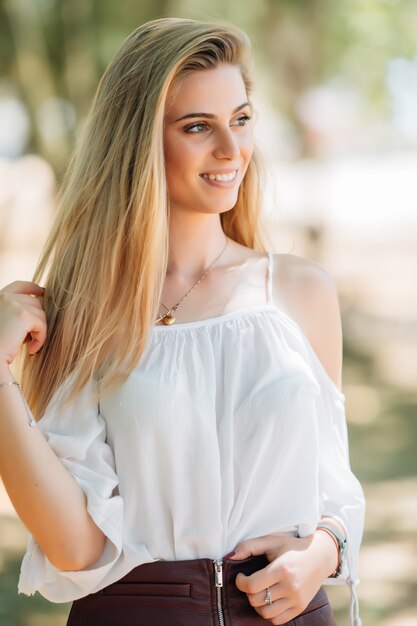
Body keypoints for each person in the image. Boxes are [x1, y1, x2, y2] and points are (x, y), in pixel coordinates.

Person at [0, 17, 365, 626]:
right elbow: (75, 548)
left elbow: (334, 486)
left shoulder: (300, 290)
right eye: (199, 127)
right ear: (140, 143)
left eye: (241, 119)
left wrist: (324, 551)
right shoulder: (84, 311)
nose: (231, 150)